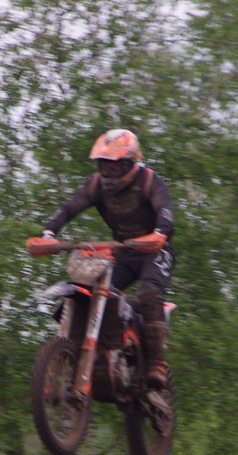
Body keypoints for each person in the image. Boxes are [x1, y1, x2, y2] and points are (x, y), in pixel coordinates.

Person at [41, 128, 174, 388]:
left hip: (156, 251)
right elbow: (69, 208)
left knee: (149, 292)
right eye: (104, 165)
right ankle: (96, 349)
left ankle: (157, 363)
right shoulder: (96, 186)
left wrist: (160, 233)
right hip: (124, 252)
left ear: (130, 162)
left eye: (114, 166)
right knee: (90, 292)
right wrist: (48, 233)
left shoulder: (149, 181)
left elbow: (165, 214)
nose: (109, 172)